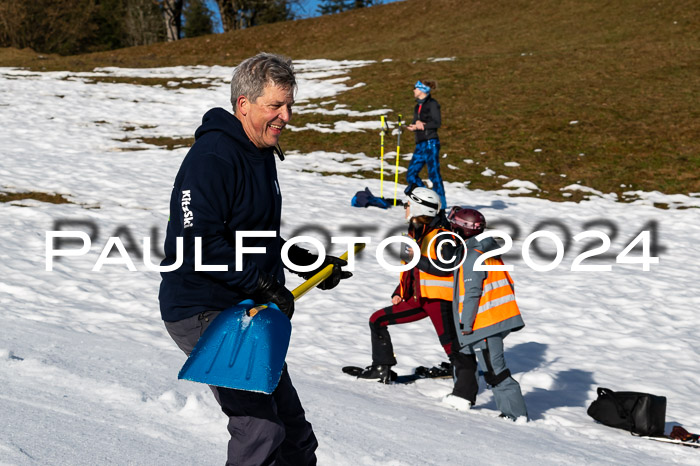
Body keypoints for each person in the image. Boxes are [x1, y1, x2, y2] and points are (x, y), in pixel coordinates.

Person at [159, 52, 351, 465]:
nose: (286, 116)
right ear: (244, 105)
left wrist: (306, 260)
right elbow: (199, 244)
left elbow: (253, 236)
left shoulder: (258, 152)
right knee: (260, 428)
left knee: (293, 433)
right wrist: (262, 284)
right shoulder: (212, 158)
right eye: (275, 106)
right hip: (203, 308)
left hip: (243, 307)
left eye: (289, 105)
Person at [356, 187, 479, 398]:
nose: (405, 208)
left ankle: (464, 386)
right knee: (377, 320)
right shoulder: (417, 232)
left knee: (451, 345)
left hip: (440, 300)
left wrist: (415, 258)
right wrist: (400, 290)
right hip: (419, 298)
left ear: (418, 208)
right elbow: (413, 270)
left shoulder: (442, 236)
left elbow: (445, 267)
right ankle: (381, 368)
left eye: (408, 205)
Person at [444, 207, 529, 421]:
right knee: (470, 357)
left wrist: (465, 324)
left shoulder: (473, 255)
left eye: (453, 227)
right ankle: (462, 396)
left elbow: (472, 292)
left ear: (462, 230)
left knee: (494, 370)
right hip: (492, 320)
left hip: (485, 323)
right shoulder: (485, 250)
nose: (451, 231)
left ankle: (515, 414)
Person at [405, 80, 447, 209]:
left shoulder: (432, 104)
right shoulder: (417, 106)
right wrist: (413, 126)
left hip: (431, 143)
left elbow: (437, 123)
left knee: (434, 175)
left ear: (422, 90)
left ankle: (441, 205)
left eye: (415, 88)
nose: (413, 90)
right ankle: (426, 196)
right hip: (420, 144)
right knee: (411, 174)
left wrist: (423, 125)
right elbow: (416, 123)